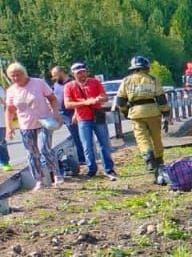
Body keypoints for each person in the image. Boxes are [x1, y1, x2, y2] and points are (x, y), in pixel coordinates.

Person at [4, 61, 63, 190]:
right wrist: (9, 127)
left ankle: (57, 174)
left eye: (18, 75)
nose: (15, 78)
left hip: (44, 121)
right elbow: (10, 110)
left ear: (24, 73)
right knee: (32, 153)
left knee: (44, 149)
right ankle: (38, 180)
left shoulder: (38, 83)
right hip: (26, 125)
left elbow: (52, 98)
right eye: (12, 76)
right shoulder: (11, 91)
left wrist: (56, 114)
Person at [114, 55, 170, 173]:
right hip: (153, 112)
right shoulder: (153, 79)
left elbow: (120, 101)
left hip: (136, 113)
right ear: (146, 67)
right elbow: (161, 98)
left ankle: (149, 160)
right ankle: (159, 161)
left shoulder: (126, 80)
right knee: (156, 138)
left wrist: (125, 111)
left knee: (142, 138)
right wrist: (166, 113)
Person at [63, 62, 117, 181]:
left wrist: (98, 99)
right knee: (87, 146)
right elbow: (67, 104)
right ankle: (92, 170)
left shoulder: (94, 82)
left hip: (97, 116)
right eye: (79, 73)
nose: (82, 74)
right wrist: (85, 103)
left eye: (83, 72)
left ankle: (109, 169)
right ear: (73, 74)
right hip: (83, 118)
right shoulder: (69, 86)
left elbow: (105, 97)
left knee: (104, 144)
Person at [49, 65, 86, 170]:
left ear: (61, 72)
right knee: (72, 136)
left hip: (71, 112)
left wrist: (76, 113)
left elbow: (78, 99)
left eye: (55, 76)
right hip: (61, 113)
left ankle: (82, 157)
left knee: (77, 136)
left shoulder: (72, 83)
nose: (54, 78)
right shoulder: (56, 85)